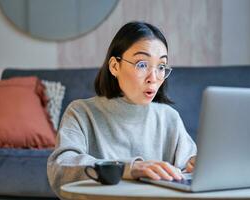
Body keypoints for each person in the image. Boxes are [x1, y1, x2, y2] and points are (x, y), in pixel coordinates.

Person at [47, 21, 197, 197]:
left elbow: (189, 165)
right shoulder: (80, 112)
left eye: (161, 67)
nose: (153, 78)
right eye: (142, 64)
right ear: (114, 66)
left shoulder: (169, 117)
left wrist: (199, 165)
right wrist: (128, 168)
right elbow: (61, 168)